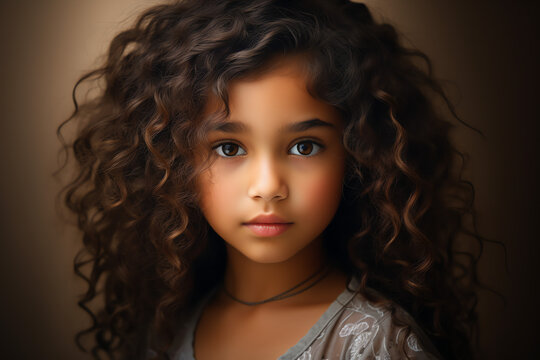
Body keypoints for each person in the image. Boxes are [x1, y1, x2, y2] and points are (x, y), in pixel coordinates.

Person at [58, 0, 483, 359]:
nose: (267, 186)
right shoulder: (166, 328)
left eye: (304, 146)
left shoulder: (377, 343)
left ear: (358, 157)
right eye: (229, 148)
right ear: (172, 160)